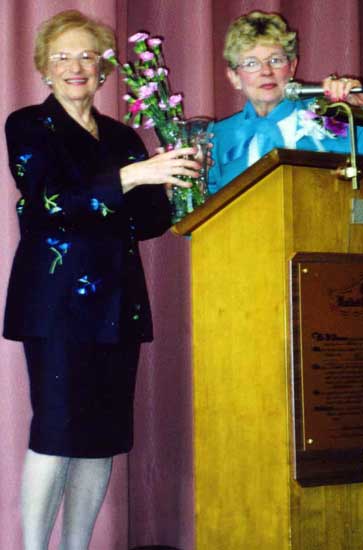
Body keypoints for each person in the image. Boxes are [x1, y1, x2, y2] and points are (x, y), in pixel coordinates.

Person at [3, 10, 200, 550]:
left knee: (102, 441)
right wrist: (132, 178)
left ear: (104, 70)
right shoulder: (26, 124)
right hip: (56, 304)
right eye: (62, 56)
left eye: (87, 55)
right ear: (44, 68)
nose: (76, 66)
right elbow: (45, 205)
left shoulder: (122, 135)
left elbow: (152, 220)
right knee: (56, 434)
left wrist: (184, 185)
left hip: (119, 304)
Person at [208, 11, 363, 193]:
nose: (266, 71)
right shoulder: (217, 138)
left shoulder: (334, 114)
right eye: (251, 63)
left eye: (275, 60)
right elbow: (199, 212)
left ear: (292, 67)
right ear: (234, 77)